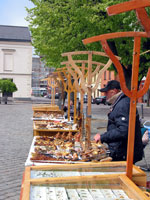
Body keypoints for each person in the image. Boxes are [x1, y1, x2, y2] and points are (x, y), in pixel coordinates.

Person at [94, 80, 143, 163]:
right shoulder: (121, 102)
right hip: (122, 150)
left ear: (114, 91)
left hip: (124, 152)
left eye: (106, 92)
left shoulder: (122, 104)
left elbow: (123, 130)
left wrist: (103, 137)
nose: (104, 95)